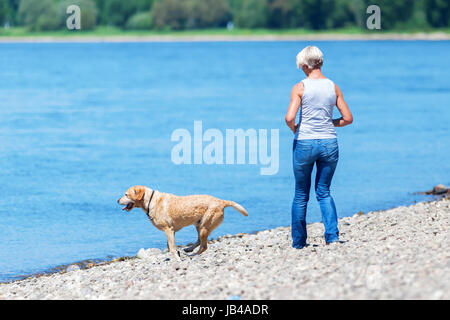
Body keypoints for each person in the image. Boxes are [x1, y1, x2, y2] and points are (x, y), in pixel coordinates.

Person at [285, 46, 353, 249]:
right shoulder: (334, 87)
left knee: (300, 194)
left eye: (301, 67)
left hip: (305, 142)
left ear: (306, 65)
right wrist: (328, 122)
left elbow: (289, 117)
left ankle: (299, 242)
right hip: (329, 143)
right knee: (324, 191)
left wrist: (295, 128)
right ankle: (332, 237)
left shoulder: (300, 87)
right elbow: (348, 119)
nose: (301, 70)